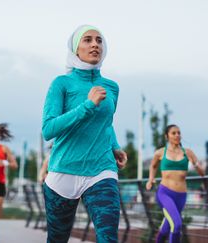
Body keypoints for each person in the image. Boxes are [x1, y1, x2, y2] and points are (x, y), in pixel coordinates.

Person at [41, 25, 127, 243]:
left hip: (101, 169)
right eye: (87, 40)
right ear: (75, 48)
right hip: (64, 171)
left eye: (99, 40)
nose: (95, 44)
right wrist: (87, 105)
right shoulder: (61, 84)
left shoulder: (112, 87)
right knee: (57, 239)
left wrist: (115, 146)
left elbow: (106, 124)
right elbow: (48, 130)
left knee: (108, 238)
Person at [146, 124, 204, 243]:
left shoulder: (188, 152)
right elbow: (153, 165)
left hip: (181, 196)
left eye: (179, 133)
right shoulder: (160, 152)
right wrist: (151, 178)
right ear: (167, 136)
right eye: (173, 133)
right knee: (177, 224)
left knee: (166, 227)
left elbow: (202, 173)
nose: (177, 135)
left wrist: (196, 164)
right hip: (165, 193)